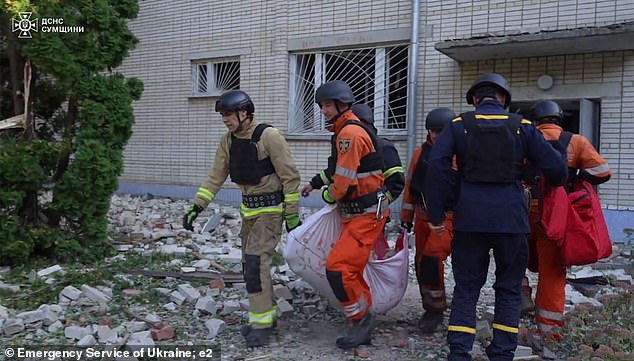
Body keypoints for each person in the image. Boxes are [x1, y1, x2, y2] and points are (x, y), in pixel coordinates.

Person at [424, 73, 568, 361]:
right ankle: (502, 352)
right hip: (511, 220)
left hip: (469, 220)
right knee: (509, 287)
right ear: (503, 99)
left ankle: (460, 352)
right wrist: (530, 173)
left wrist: (437, 214)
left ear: (475, 100)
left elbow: (436, 168)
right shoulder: (523, 127)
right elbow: (557, 169)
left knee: (466, 286)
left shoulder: (458, 125)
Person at [182, 90, 301, 348]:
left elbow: (290, 177)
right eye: (223, 115)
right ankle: (266, 316)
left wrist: (291, 215)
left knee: (257, 264)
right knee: (251, 267)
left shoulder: (269, 136)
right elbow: (216, 175)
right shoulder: (228, 141)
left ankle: (261, 326)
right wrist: (197, 206)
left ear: (244, 112)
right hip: (248, 213)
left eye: (228, 114)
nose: (225, 119)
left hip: (270, 212)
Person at [521, 100, 611, 341]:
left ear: (536, 119)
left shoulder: (523, 137)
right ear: (559, 118)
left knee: (514, 257)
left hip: (523, 209)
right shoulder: (576, 141)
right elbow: (602, 172)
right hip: (556, 214)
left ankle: (520, 297)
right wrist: (574, 177)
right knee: (552, 269)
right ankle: (549, 330)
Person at [314, 80, 388, 349]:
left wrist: (327, 195)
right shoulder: (348, 130)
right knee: (351, 270)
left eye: (326, 105)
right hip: (361, 213)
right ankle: (362, 317)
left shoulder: (349, 135)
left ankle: (361, 321)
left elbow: (342, 183)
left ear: (341, 104)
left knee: (338, 268)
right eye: (321, 105)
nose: (323, 110)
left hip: (364, 215)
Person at [400, 107, 457, 333]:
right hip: (423, 218)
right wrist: (406, 216)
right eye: (432, 131)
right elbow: (411, 186)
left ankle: (438, 311)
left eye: (440, 132)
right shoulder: (420, 153)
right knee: (422, 263)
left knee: (433, 260)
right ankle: (432, 307)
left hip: (448, 218)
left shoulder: (460, 155)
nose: (435, 136)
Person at [300, 103, 404, 204]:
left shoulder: (383, 147)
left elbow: (396, 183)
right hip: (350, 210)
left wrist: (379, 203)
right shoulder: (351, 143)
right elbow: (336, 171)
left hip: (370, 214)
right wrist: (313, 184)